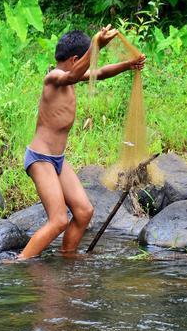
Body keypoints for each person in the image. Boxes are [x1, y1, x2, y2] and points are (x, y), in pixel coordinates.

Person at [18, 25, 146, 260]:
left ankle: (67, 258)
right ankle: (17, 263)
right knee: (58, 221)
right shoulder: (54, 78)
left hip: (58, 160)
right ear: (76, 59)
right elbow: (73, 75)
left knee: (84, 212)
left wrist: (128, 65)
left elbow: (101, 72)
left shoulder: (71, 79)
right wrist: (95, 46)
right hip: (40, 159)